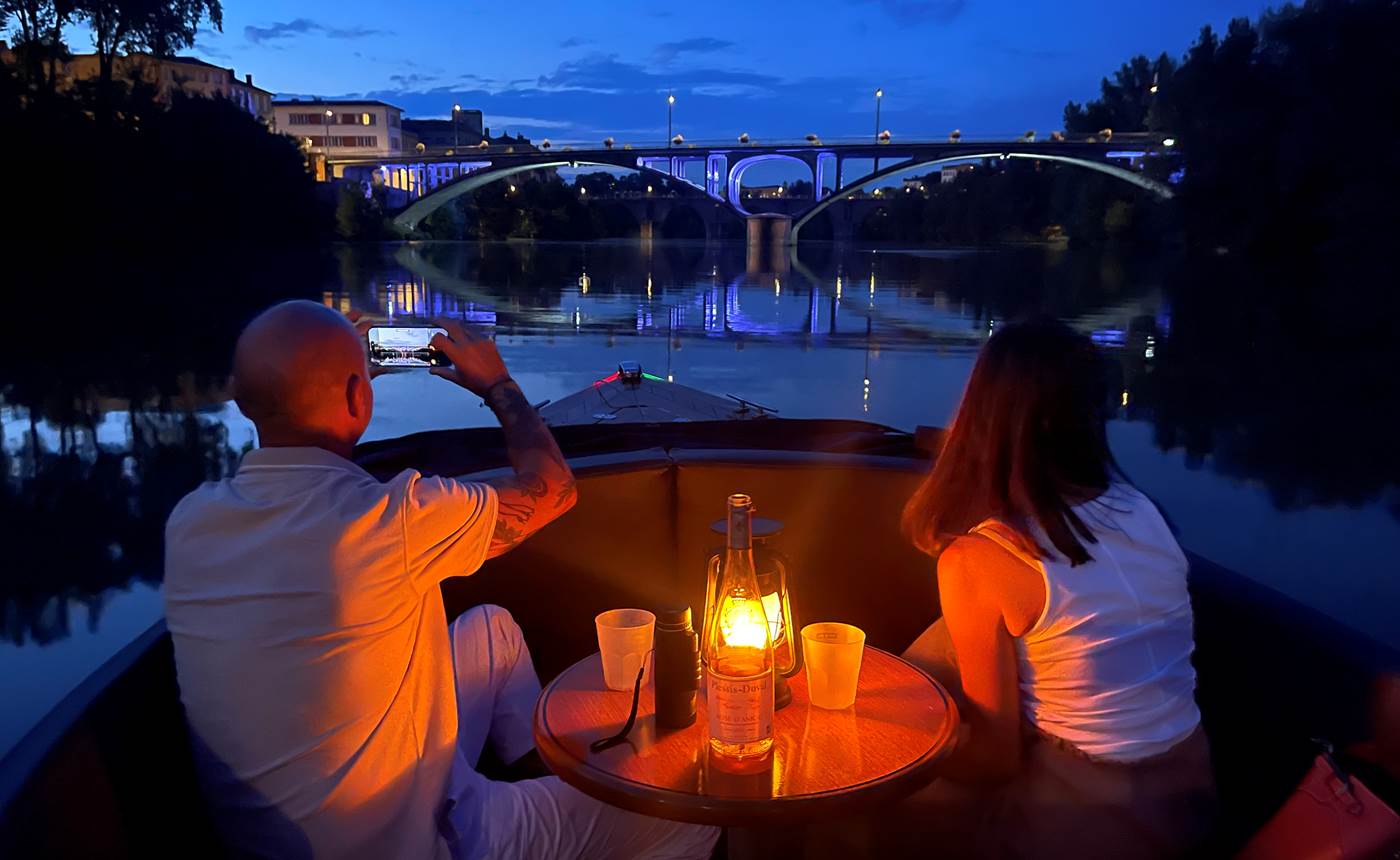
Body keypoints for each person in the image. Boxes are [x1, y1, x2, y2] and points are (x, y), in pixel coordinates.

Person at [164, 301, 717, 860]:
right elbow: (553, 487)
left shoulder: (189, 522)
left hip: (276, 840)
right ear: (360, 397)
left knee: (492, 633)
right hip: (412, 844)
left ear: (243, 402)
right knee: (691, 812)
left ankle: (541, 787)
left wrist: (335, 379)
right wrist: (496, 383)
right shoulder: (391, 522)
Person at [893, 318, 1216, 859]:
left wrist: (893, 747)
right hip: (1190, 794)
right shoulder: (1142, 510)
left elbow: (996, 761)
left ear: (981, 413)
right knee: (950, 638)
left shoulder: (979, 561)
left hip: (1085, 816)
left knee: (872, 804)